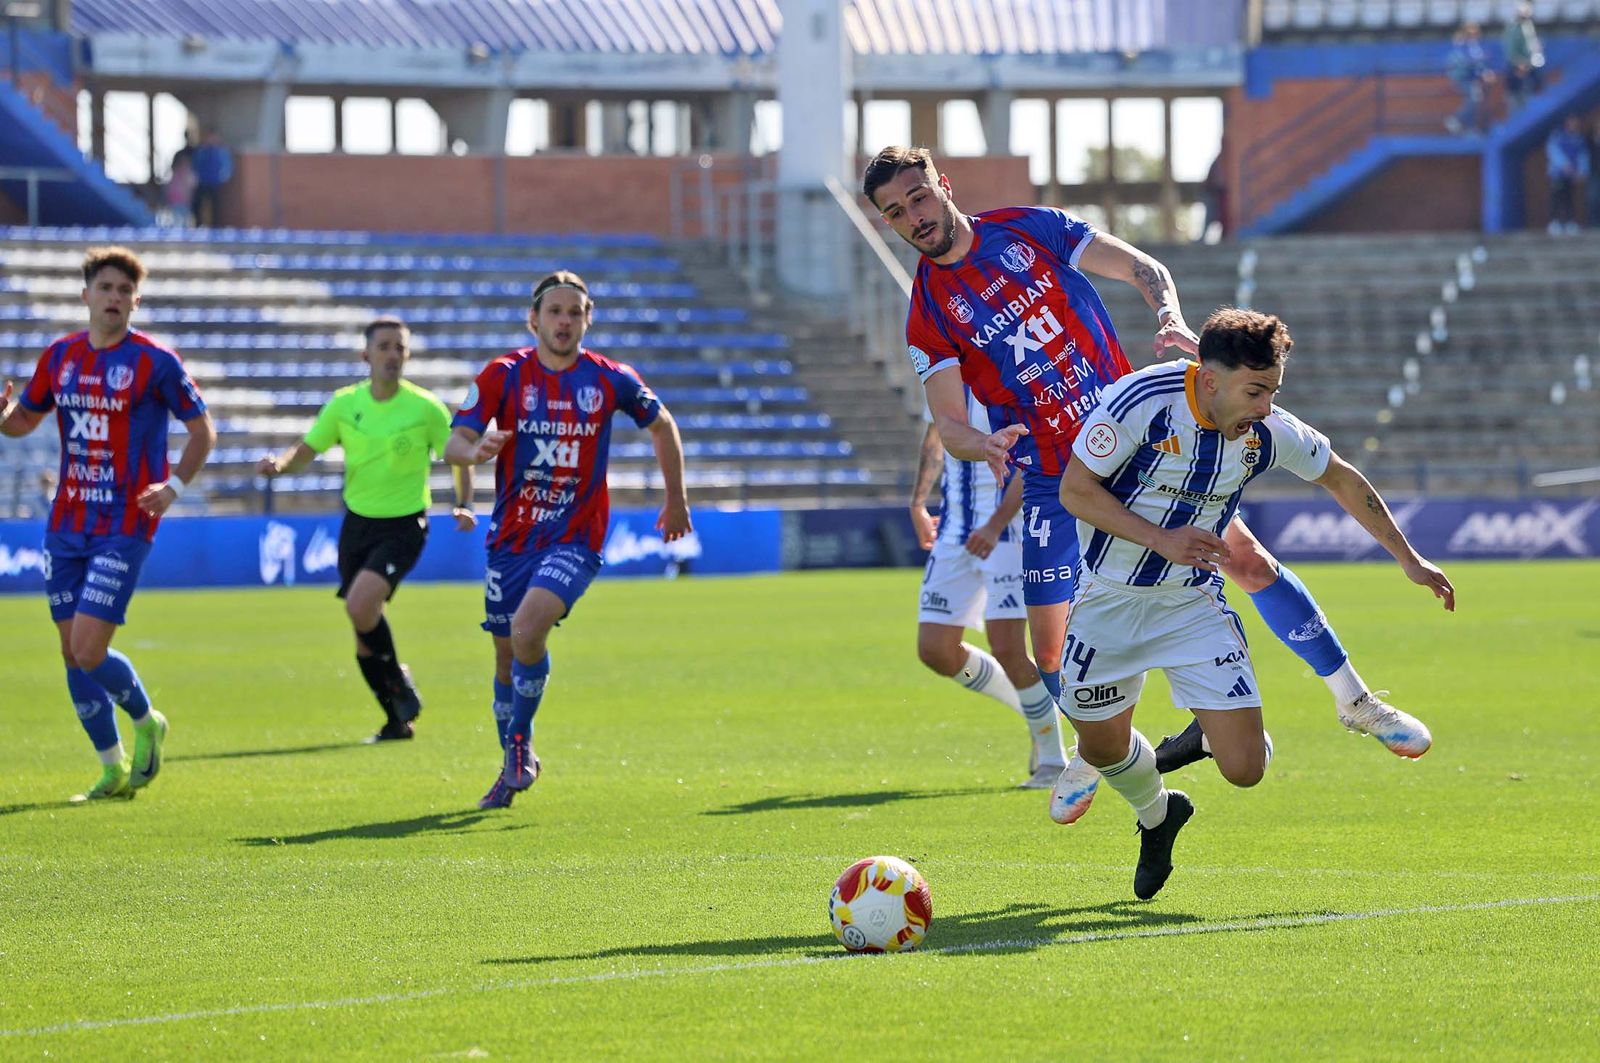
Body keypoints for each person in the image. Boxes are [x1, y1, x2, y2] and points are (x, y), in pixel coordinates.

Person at [861, 146, 1436, 821]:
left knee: (1244, 559)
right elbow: (948, 421)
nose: (913, 218)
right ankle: (1094, 748)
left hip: (1136, 438)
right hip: (1050, 475)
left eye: (918, 198)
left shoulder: (1026, 228)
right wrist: (981, 441)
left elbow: (1142, 266)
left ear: (942, 186)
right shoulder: (927, 310)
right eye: (896, 213)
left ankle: (1355, 700)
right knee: (1050, 645)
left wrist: (1167, 312)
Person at [1057, 308, 1455, 899]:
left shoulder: (1264, 433)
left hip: (1191, 605)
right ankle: (1157, 816)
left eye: (1272, 390)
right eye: (1256, 391)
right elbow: (1075, 490)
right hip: (1108, 602)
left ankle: (1219, 731)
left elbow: (1342, 478)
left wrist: (1408, 558)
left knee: (1247, 770)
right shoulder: (1141, 400)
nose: (1265, 407)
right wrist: (1163, 539)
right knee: (1102, 747)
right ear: (1210, 380)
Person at [444, 270, 691, 810]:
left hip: (575, 536)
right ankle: (512, 760)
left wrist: (676, 498)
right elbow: (454, 444)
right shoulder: (502, 376)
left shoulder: (609, 379)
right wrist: (478, 448)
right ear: (534, 319)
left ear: (587, 320)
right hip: (510, 539)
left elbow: (661, 423)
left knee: (529, 628)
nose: (563, 321)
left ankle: (519, 742)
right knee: (506, 658)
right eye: (554, 311)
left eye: (574, 312)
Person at [0, 246, 216, 800]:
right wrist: (3, 418)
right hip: (66, 522)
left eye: (125, 291)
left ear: (135, 301)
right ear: (86, 296)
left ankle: (147, 721)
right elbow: (25, 418)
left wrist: (174, 486)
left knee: (91, 649)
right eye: (106, 289)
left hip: (125, 522)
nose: (115, 298)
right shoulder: (60, 356)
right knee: (70, 651)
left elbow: (202, 431)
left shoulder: (155, 362)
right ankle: (112, 767)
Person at [257, 316, 476, 742]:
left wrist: (464, 503)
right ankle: (396, 720)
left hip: (405, 525)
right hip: (357, 524)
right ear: (366, 355)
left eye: (400, 347)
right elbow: (309, 447)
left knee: (359, 607)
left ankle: (399, 683)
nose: (393, 354)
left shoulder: (425, 407)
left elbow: (458, 456)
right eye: (385, 347)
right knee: (364, 634)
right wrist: (280, 465)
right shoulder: (344, 404)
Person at [911, 397, 1065, 789]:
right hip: (953, 529)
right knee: (936, 650)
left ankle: (1052, 760)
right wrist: (918, 500)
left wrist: (995, 525)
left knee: (1008, 647)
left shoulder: (1007, 376)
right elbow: (935, 435)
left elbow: (1029, 462)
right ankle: (1032, 708)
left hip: (1008, 531)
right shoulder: (943, 373)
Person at [1445, 23, 1494, 135]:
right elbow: (1470, 62)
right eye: (1471, 33)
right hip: (1463, 78)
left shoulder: (1477, 46)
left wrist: (1486, 72)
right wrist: (1483, 73)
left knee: (1476, 100)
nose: (1474, 35)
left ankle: (1470, 127)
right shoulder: (1463, 46)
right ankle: (1457, 120)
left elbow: (1482, 62)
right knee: (1474, 98)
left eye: (1476, 33)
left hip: (1473, 78)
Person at [1545, 115, 1589, 236]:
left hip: (1571, 176)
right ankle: (1554, 223)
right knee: (1557, 198)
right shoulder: (1558, 136)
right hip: (1558, 174)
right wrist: (1564, 165)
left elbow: (1582, 156)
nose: (1574, 125)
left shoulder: (1579, 139)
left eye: (1576, 123)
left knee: (1569, 198)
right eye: (1572, 123)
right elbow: (1553, 151)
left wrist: (1582, 171)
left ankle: (1569, 222)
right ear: (1567, 124)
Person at [1502, 3, 1545, 113]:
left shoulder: (1528, 26)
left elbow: (1531, 43)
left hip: (1528, 63)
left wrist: (1535, 52)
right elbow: (1511, 49)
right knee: (1516, 93)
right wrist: (1518, 64)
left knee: (1532, 88)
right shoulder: (1513, 28)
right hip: (1516, 66)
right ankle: (1517, 116)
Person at [191, 132, 234, 228]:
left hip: (215, 183)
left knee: (216, 206)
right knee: (198, 204)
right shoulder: (201, 151)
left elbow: (227, 166)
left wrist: (223, 177)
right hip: (202, 182)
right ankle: (198, 224)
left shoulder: (221, 151)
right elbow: (195, 165)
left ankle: (216, 226)